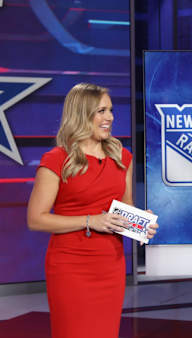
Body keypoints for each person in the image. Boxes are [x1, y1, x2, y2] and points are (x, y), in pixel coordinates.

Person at [27, 83, 158, 338]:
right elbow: (36, 219)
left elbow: (124, 206)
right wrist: (90, 221)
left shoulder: (122, 157)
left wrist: (141, 223)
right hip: (70, 266)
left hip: (110, 264)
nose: (109, 117)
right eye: (101, 111)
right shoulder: (56, 159)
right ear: (82, 114)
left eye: (110, 110)